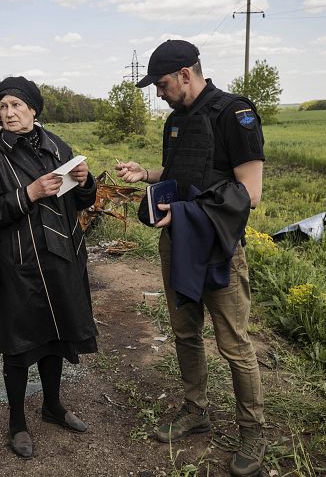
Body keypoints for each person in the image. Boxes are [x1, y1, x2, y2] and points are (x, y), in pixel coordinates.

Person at [116, 39, 266, 477]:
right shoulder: (176, 123)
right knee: (184, 332)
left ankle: (252, 432)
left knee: (234, 345)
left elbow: (249, 194)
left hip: (218, 248)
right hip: (176, 244)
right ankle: (196, 409)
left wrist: (184, 212)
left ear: (186, 74)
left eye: (162, 85)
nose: (158, 94)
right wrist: (146, 175)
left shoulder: (234, 113)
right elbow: (180, 173)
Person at [0, 76, 98, 459]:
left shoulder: (57, 145)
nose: (8, 113)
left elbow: (81, 202)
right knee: (19, 342)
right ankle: (16, 421)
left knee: (55, 337)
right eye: (3, 106)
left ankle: (52, 406)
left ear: (33, 110)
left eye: (16, 105)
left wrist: (84, 181)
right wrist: (27, 193)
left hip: (61, 257)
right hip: (20, 262)